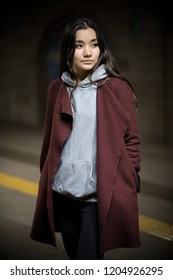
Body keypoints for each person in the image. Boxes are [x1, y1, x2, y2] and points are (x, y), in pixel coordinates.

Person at [30, 17, 141, 260]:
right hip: (63, 195)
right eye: (79, 45)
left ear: (101, 48)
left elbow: (131, 139)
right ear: (68, 50)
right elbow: (49, 140)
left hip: (95, 198)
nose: (88, 52)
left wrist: (129, 176)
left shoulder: (116, 88)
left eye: (94, 44)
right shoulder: (56, 88)